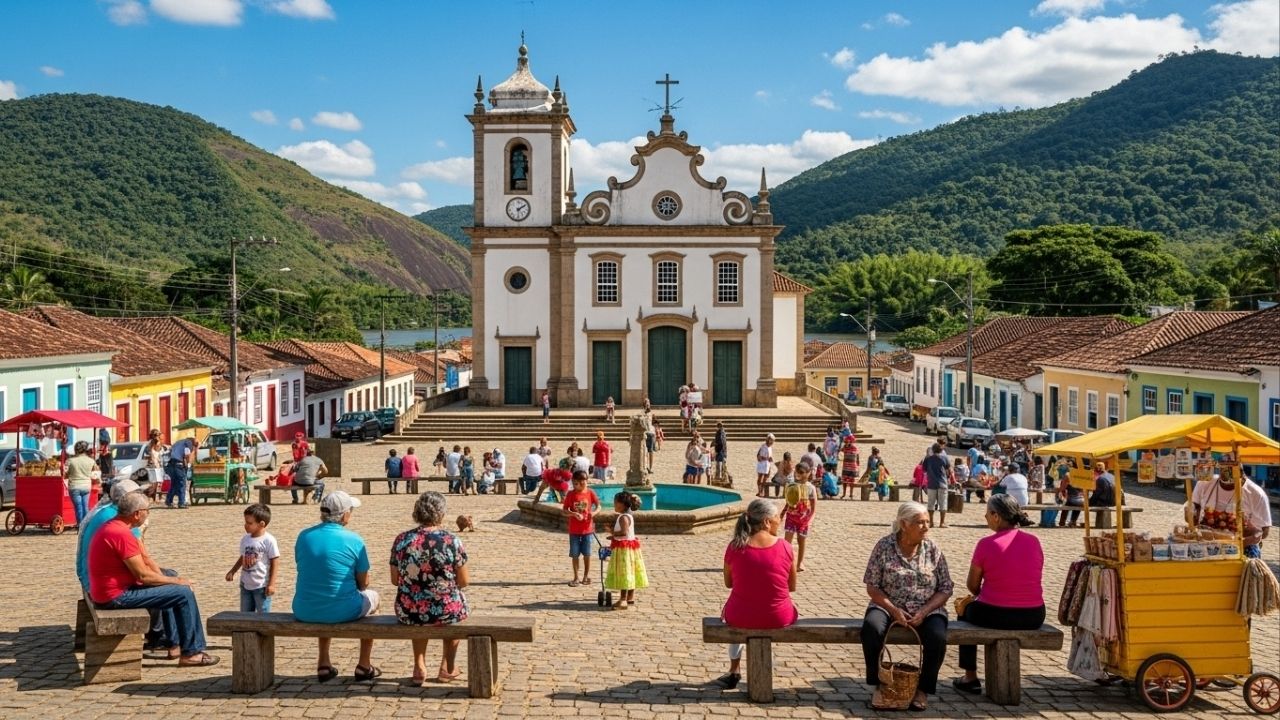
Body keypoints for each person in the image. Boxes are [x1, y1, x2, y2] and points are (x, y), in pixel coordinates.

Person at [87, 492, 218, 666]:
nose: (148, 514)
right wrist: (178, 582)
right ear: (136, 514)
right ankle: (192, 652)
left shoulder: (114, 526)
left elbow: (144, 563)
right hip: (115, 597)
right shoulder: (121, 534)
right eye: (147, 511)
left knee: (170, 579)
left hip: (110, 591)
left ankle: (175, 643)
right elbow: (143, 575)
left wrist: (169, 579)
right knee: (183, 593)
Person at [861, 502, 953, 712]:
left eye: (927, 522)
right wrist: (894, 610)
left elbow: (946, 587)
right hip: (887, 604)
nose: (926, 527)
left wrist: (924, 611)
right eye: (920, 523)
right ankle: (879, 682)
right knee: (871, 628)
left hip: (927, 607)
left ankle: (923, 689)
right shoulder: (884, 547)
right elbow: (872, 586)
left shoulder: (932, 549)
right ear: (904, 524)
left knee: (937, 636)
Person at [952, 495, 1043, 694]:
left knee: (963, 609)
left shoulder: (986, 544)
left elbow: (973, 586)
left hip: (997, 613)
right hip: (1034, 615)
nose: (985, 516)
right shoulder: (1034, 541)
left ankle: (970, 676)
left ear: (996, 516)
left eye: (987, 513)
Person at [294, 491, 379, 682]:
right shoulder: (354, 540)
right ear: (344, 514)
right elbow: (364, 583)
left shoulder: (304, 536)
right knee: (374, 598)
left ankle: (323, 662)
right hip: (341, 609)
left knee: (323, 592)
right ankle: (364, 665)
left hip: (305, 608)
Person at [714, 498, 797, 690]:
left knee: (735, 611)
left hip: (740, 614)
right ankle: (765, 670)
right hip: (778, 616)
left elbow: (728, 583)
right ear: (767, 521)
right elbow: (791, 587)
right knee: (756, 610)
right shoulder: (785, 546)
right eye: (778, 516)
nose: (780, 520)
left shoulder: (735, 546)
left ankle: (734, 669)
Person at [389, 491, 470, 685]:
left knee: (420, 607)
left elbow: (394, 580)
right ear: (441, 513)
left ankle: (419, 666)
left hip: (409, 609)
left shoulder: (402, 540)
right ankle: (447, 667)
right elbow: (464, 581)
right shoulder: (451, 540)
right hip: (445, 609)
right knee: (455, 605)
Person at [1192, 472, 1273, 557]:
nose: (1228, 471)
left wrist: (1243, 541)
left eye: (1232, 469)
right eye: (1224, 468)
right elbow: (1194, 510)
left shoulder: (1256, 493)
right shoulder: (1205, 483)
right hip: (1206, 544)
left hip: (1241, 548)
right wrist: (1191, 514)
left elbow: (1263, 532)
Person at [225, 504, 279, 613]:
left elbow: (275, 561)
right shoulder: (245, 539)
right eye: (245, 522)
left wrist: (272, 584)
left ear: (261, 524)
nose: (246, 525)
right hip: (245, 585)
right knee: (245, 615)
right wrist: (233, 571)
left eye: (250, 523)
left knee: (263, 616)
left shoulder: (269, 540)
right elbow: (243, 556)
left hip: (261, 586)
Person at [604, 491, 648, 609]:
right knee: (631, 571)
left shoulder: (623, 517)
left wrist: (612, 533)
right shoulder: (629, 516)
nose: (613, 504)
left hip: (624, 549)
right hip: (630, 548)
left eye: (615, 502)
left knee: (624, 572)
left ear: (622, 504)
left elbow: (624, 532)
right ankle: (630, 597)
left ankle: (623, 600)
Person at [562, 471, 600, 587]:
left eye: (581, 482)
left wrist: (593, 513)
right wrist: (573, 514)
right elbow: (564, 511)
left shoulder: (590, 493)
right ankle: (576, 577)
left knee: (587, 554)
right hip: (574, 530)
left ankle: (586, 575)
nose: (578, 485)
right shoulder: (570, 494)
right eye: (576, 483)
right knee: (575, 554)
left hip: (587, 530)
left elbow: (599, 506)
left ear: (585, 481)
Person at [784, 461, 819, 572]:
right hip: (791, 516)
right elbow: (788, 501)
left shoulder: (811, 488)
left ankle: (799, 563)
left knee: (801, 541)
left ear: (808, 473)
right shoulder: (792, 485)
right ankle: (785, 563)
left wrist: (810, 520)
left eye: (802, 472)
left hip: (803, 519)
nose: (798, 474)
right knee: (787, 542)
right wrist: (781, 514)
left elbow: (813, 508)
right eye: (797, 472)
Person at [65, 440, 97, 526]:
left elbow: (65, 474)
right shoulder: (91, 461)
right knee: (85, 506)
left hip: (74, 486)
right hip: (86, 486)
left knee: (78, 507)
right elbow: (95, 474)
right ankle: (86, 525)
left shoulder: (70, 461)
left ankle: (80, 525)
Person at [922, 443, 951, 528]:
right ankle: (942, 523)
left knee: (930, 503)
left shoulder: (928, 459)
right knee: (943, 503)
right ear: (941, 450)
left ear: (933, 450)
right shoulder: (944, 458)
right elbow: (948, 468)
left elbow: (924, 469)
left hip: (931, 483)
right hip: (942, 483)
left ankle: (931, 522)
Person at [143, 429, 168, 497]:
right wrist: (150, 458)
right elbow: (145, 457)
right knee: (154, 483)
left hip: (160, 466)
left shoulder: (162, 446)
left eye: (158, 435)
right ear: (152, 436)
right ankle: (153, 496)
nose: (157, 437)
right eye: (155, 435)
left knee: (160, 482)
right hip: (152, 467)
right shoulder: (148, 446)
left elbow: (165, 455)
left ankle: (159, 496)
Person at [840, 433, 860, 500]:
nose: (846, 442)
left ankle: (851, 494)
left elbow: (857, 456)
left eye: (847, 441)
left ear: (851, 441)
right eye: (845, 441)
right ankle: (844, 494)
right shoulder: (844, 447)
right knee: (844, 481)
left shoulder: (854, 448)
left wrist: (857, 464)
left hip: (852, 467)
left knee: (852, 481)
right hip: (845, 466)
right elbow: (840, 451)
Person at [755, 434, 775, 498]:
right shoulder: (763, 446)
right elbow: (759, 456)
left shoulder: (770, 447)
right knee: (760, 477)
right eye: (771, 440)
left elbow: (769, 456)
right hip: (762, 464)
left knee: (766, 478)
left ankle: (762, 491)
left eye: (773, 441)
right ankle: (759, 491)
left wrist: (770, 459)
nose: (772, 442)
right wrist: (766, 458)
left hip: (767, 464)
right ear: (768, 440)